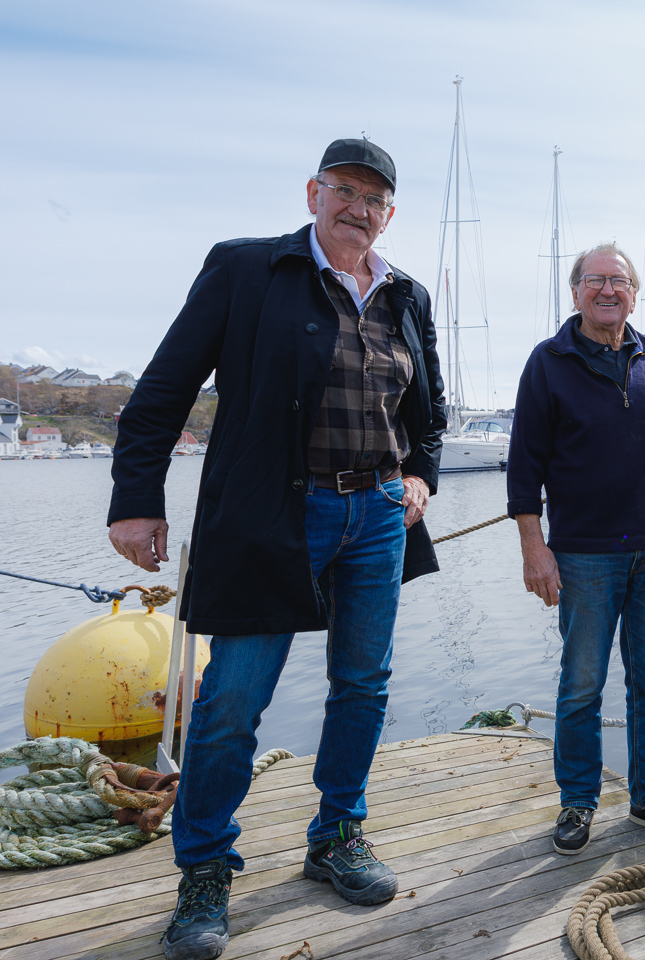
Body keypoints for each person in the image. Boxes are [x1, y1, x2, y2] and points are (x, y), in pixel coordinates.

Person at [107, 139, 445, 960]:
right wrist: (135, 503)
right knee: (231, 701)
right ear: (313, 192)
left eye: (374, 198)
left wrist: (421, 477)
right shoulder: (244, 269)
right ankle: (206, 870)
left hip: (375, 518)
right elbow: (161, 393)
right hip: (271, 520)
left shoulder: (407, 294)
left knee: (362, 687)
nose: (357, 208)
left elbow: (428, 409)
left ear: (389, 214)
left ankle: (337, 837)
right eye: (344, 190)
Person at [507, 243, 645, 856]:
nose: (606, 290)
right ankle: (578, 801)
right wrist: (533, 549)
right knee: (582, 685)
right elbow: (523, 469)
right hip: (585, 554)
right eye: (594, 280)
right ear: (575, 292)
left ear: (634, 292)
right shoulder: (548, 362)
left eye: (617, 280)